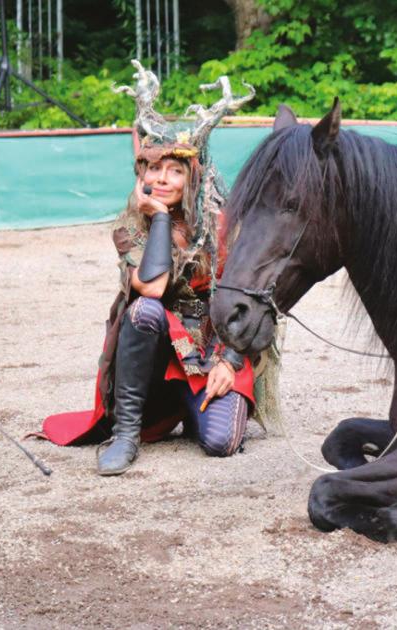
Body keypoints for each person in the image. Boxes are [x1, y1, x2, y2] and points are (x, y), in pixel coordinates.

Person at [37, 61, 270, 475]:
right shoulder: (131, 227)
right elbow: (152, 286)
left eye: (174, 170)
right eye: (153, 168)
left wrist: (231, 360)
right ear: (141, 174)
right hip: (158, 355)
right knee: (143, 311)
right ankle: (126, 433)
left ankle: (192, 405)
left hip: (215, 349)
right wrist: (160, 217)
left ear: (192, 177)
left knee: (221, 443)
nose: (162, 178)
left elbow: (258, 299)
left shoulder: (225, 226)